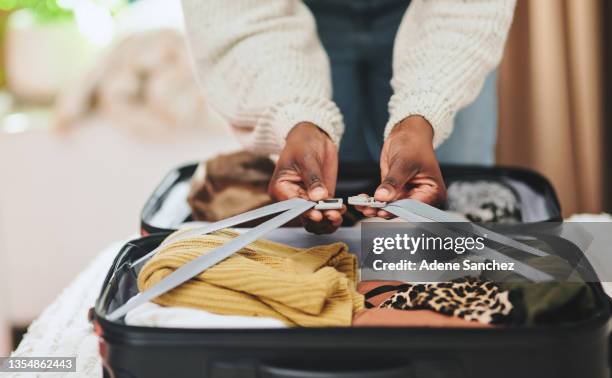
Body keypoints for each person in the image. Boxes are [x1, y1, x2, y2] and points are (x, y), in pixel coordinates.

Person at [182, 0, 516, 233]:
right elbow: (236, 10)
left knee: (457, 191)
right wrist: (298, 117)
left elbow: (467, 6)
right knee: (330, 199)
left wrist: (424, 113)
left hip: (443, 13)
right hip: (298, 14)